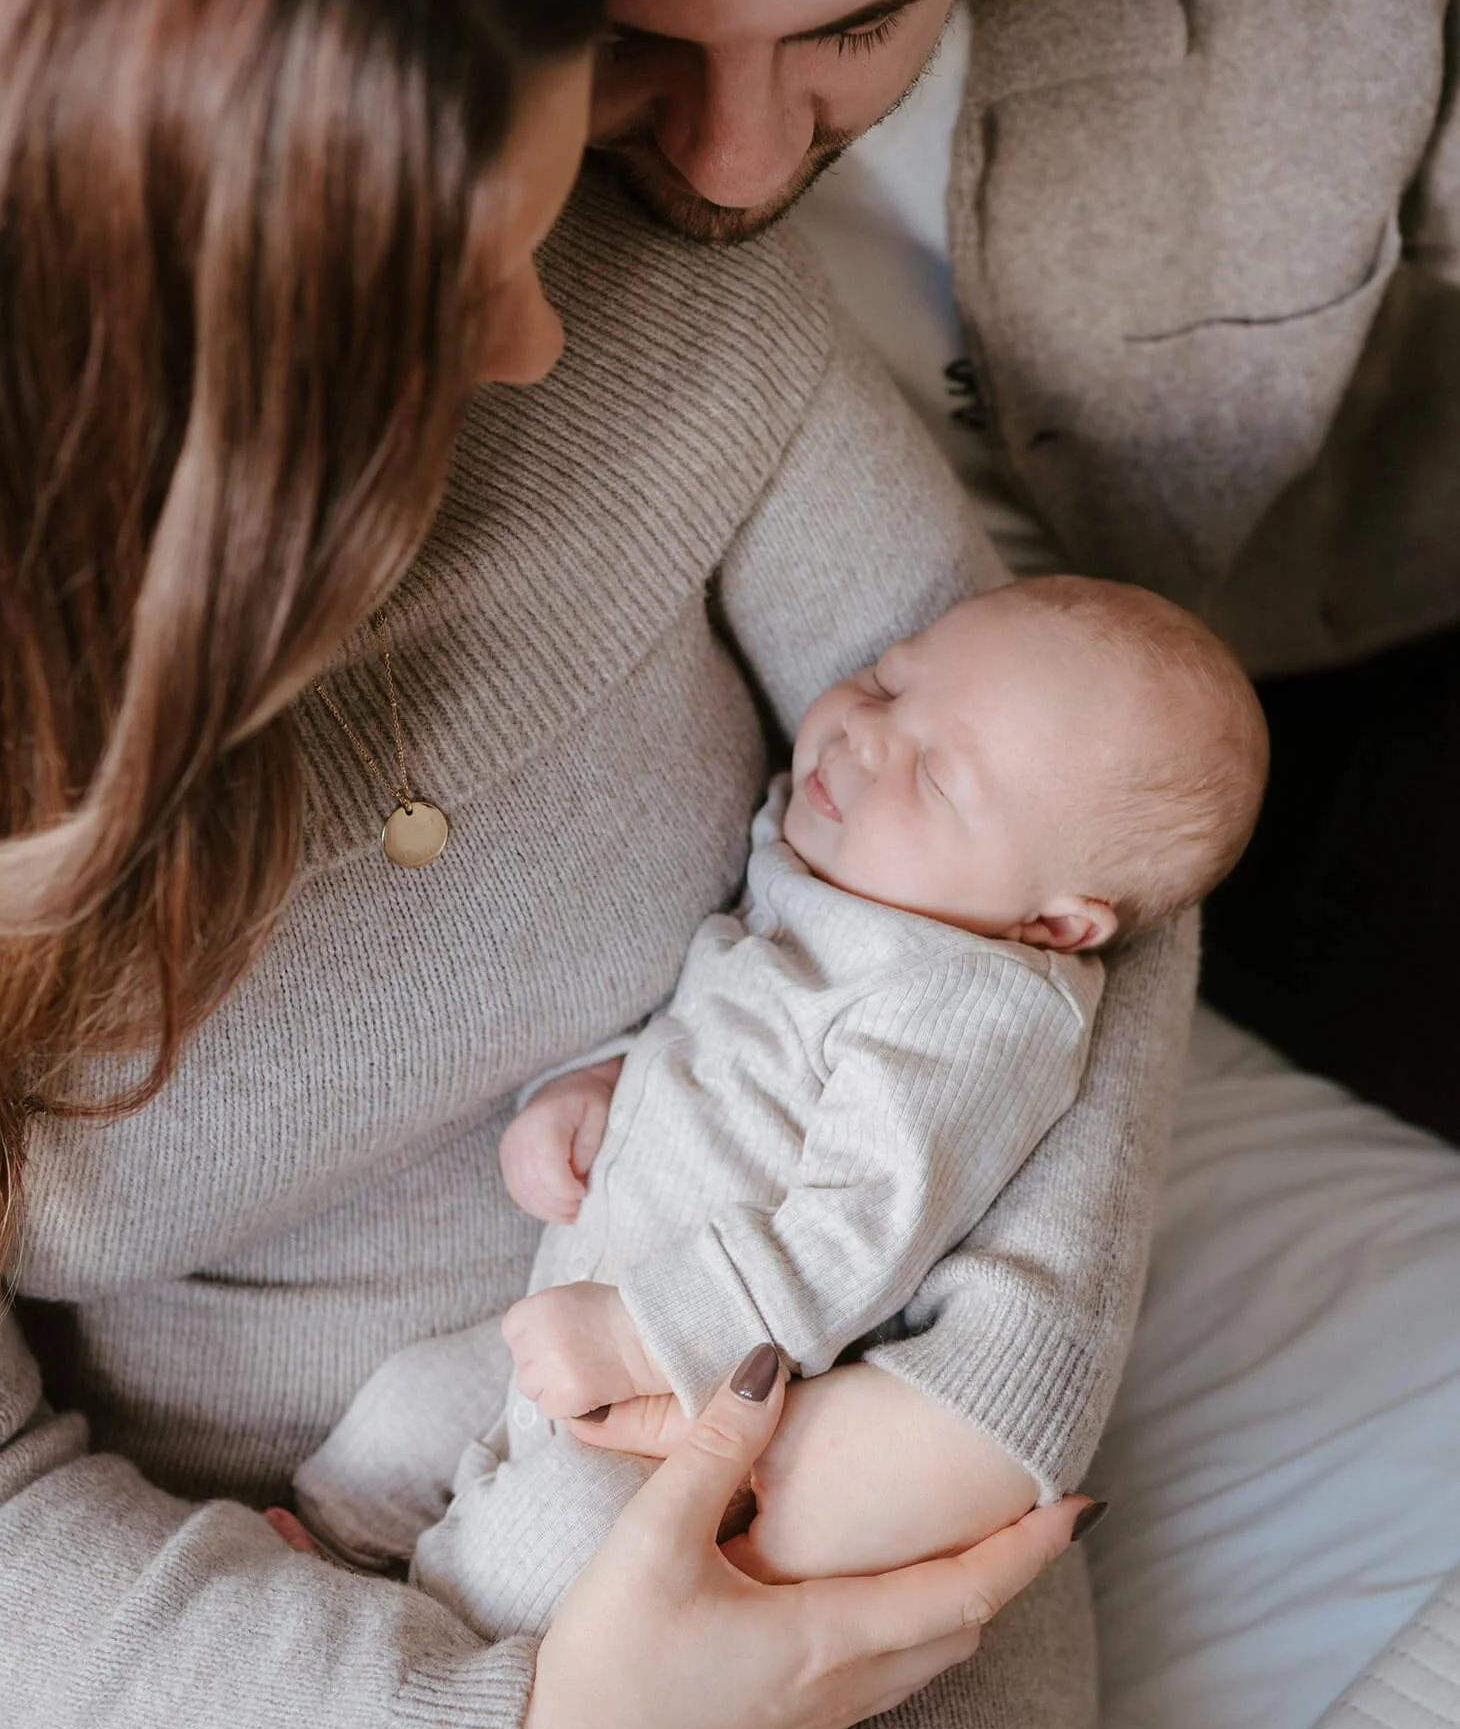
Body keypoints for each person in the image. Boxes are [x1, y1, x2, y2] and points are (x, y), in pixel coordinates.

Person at [0, 0, 1154, 1729]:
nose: (547, 329)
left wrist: (954, 1414)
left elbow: (1068, 834)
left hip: (769, 1446)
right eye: (451, 289)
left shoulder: (661, 321)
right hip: (170, 1638)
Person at [489, 0, 1460, 1729]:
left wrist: (986, 1394)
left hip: (1311, 616)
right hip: (930, 816)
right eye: (641, 36)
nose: (735, 165)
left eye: (858, 22)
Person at [290, 578, 1265, 1644]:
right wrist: (590, 1091)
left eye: (937, 777)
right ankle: (324, 1571)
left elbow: (858, 1235)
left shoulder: (968, 1008)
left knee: (553, 1539)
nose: (865, 735)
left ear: (1059, 924)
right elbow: (704, 1030)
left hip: (685, 1393)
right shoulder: (828, 863)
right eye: (890, 677)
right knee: (395, 1420)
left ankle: (413, 1647)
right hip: (571, 1304)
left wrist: (645, 1334)